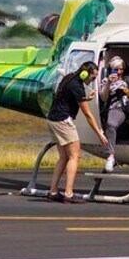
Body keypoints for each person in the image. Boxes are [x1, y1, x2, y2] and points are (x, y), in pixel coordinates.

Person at [46, 61, 108, 203]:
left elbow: (71, 98)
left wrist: (87, 98)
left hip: (52, 120)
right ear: (85, 74)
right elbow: (88, 115)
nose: (93, 81)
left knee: (63, 157)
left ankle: (53, 191)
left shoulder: (69, 78)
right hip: (63, 122)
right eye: (93, 78)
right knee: (75, 156)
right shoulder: (77, 87)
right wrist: (99, 134)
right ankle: (68, 194)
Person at [99, 56, 129, 173]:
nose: (119, 72)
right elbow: (103, 98)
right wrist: (109, 83)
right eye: (116, 69)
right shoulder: (106, 81)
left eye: (121, 69)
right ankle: (111, 156)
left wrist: (125, 88)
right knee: (111, 124)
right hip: (117, 108)